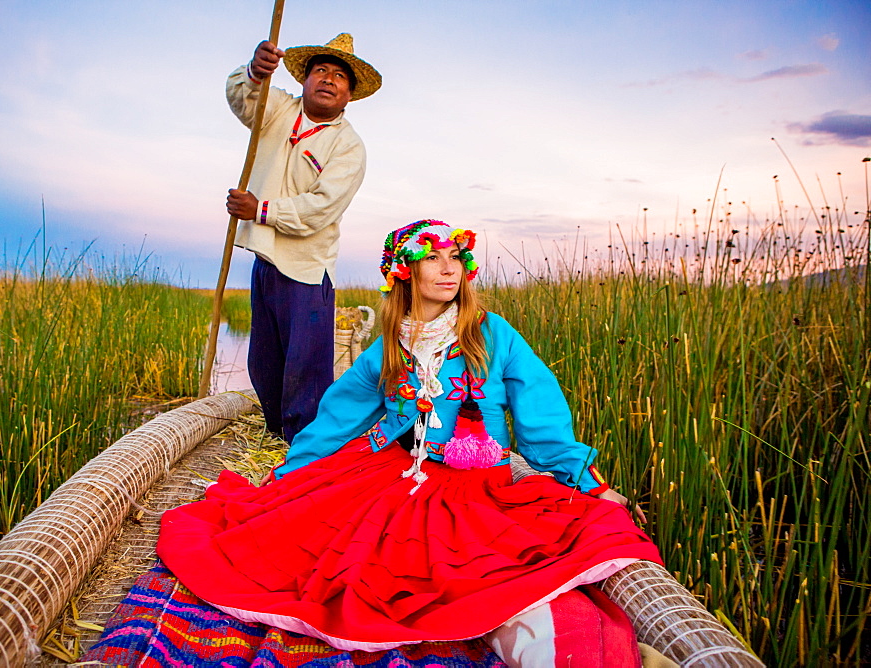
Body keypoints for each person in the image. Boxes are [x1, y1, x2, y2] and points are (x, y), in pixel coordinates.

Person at [159, 220, 663, 666]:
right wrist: (294, 474)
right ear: (404, 272)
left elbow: (541, 416)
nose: (450, 270)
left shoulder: (494, 335)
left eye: (456, 259)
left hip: (473, 480)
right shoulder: (389, 346)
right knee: (337, 562)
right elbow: (338, 416)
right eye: (432, 259)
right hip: (393, 471)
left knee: (502, 557)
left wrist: (583, 481)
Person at [225, 33, 381, 443]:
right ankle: (276, 435)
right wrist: (254, 74)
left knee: (306, 368)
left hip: (309, 269)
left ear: (349, 95)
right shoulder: (278, 109)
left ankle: (305, 447)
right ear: (305, 80)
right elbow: (245, 101)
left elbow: (321, 208)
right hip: (266, 261)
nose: (328, 80)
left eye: (339, 77)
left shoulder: (349, 146)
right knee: (265, 361)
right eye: (320, 71)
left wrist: (261, 210)